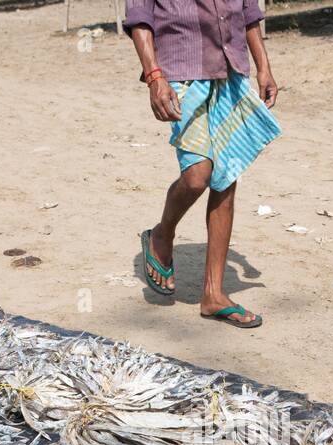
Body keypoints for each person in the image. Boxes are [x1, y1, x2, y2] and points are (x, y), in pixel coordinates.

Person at [125, 0, 281, 329]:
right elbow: (140, 17)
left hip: (231, 70)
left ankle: (214, 295)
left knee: (226, 175)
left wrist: (264, 67)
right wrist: (155, 78)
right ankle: (161, 236)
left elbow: (249, 11)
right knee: (198, 176)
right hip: (181, 71)